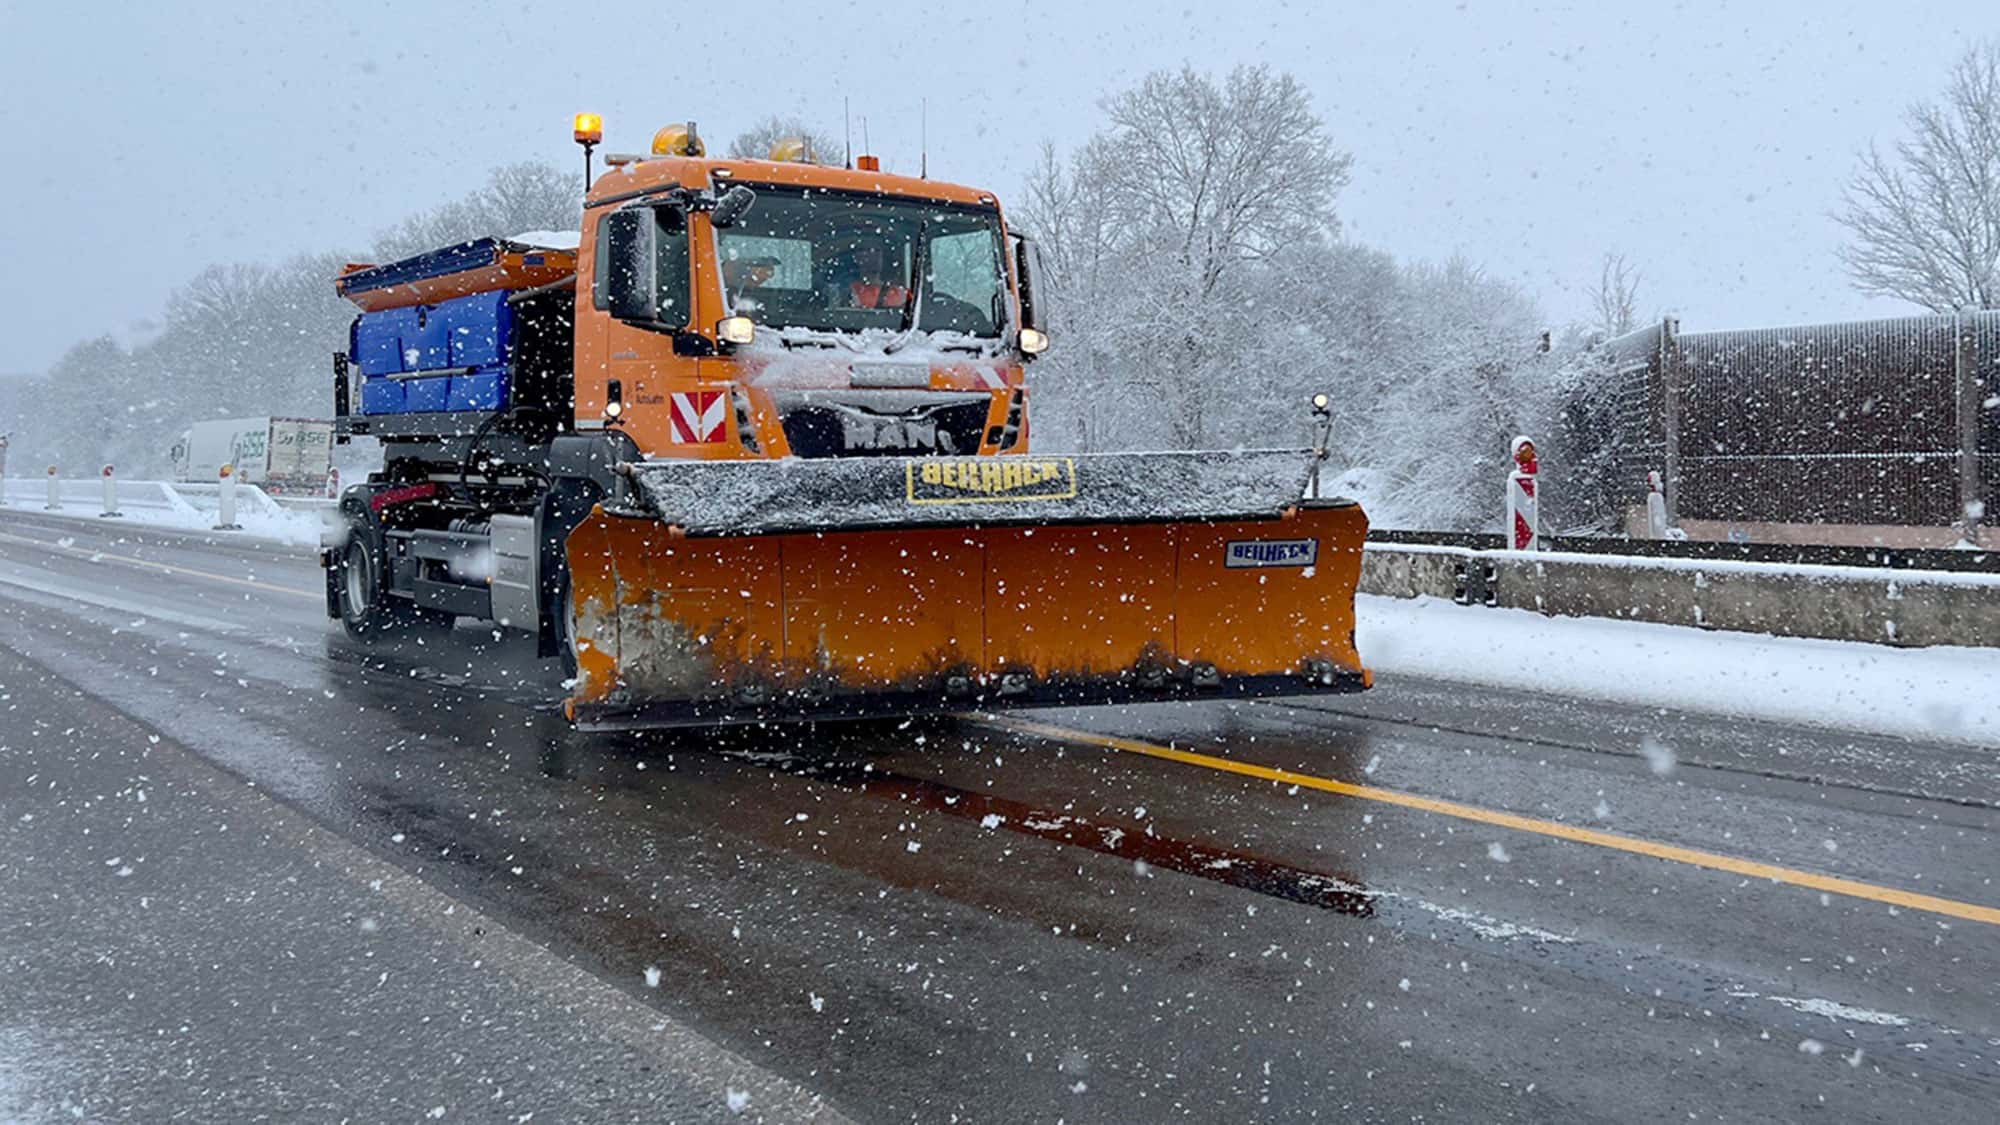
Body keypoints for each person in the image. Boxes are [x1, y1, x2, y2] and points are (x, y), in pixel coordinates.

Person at [846, 242, 909, 309]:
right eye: (867, 251)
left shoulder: (901, 294)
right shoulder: (849, 292)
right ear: (857, 258)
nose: (874, 255)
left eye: (877, 250)